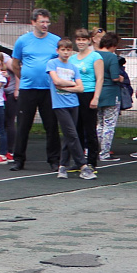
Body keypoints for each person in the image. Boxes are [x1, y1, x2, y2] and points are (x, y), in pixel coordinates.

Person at [9, 9, 61, 171]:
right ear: (33, 22)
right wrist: (24, 76)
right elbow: (15, 63)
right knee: (23, 125)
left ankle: (54, 159)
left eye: (47, 22)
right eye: (42, 22)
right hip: (28, 89)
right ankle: (19, 159)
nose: (45, 25)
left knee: (51, 125)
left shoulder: (55, 41)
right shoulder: (23, 41)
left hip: (48, 89)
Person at [46, 38, 94, 180]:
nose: (65, 53)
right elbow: (56, 81)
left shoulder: (73, 67)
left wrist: (67, 85)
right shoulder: (52, 63)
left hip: (73, 104)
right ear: (57, 51)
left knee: (69, 136)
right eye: (63, 50)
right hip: (60, 105)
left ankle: (62, 166)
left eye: (68, 50)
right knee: (72, 134)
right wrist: (70, 84)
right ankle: (83, 166)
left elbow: (80, 88)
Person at [66, 29, 104, 166]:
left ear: (89, 41)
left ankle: (92, 162)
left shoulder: (95, 57)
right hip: (74, 95)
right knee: (77, 129)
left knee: (90, 129)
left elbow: (99, 79)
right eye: (78, 40)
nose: (81, 42)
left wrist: (96, 97)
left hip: (88, 94)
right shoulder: (72, 58)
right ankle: (79, 161)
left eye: (84, 39)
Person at [91, 32, 125, 163]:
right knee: (109, 124)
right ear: (113, 45)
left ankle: (94, 149)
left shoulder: (94, 55)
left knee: (98, 124)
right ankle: (105, 152)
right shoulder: (112, 57)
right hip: (111, 93)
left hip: (97, 93)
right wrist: (121, 78)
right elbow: (115, 76)